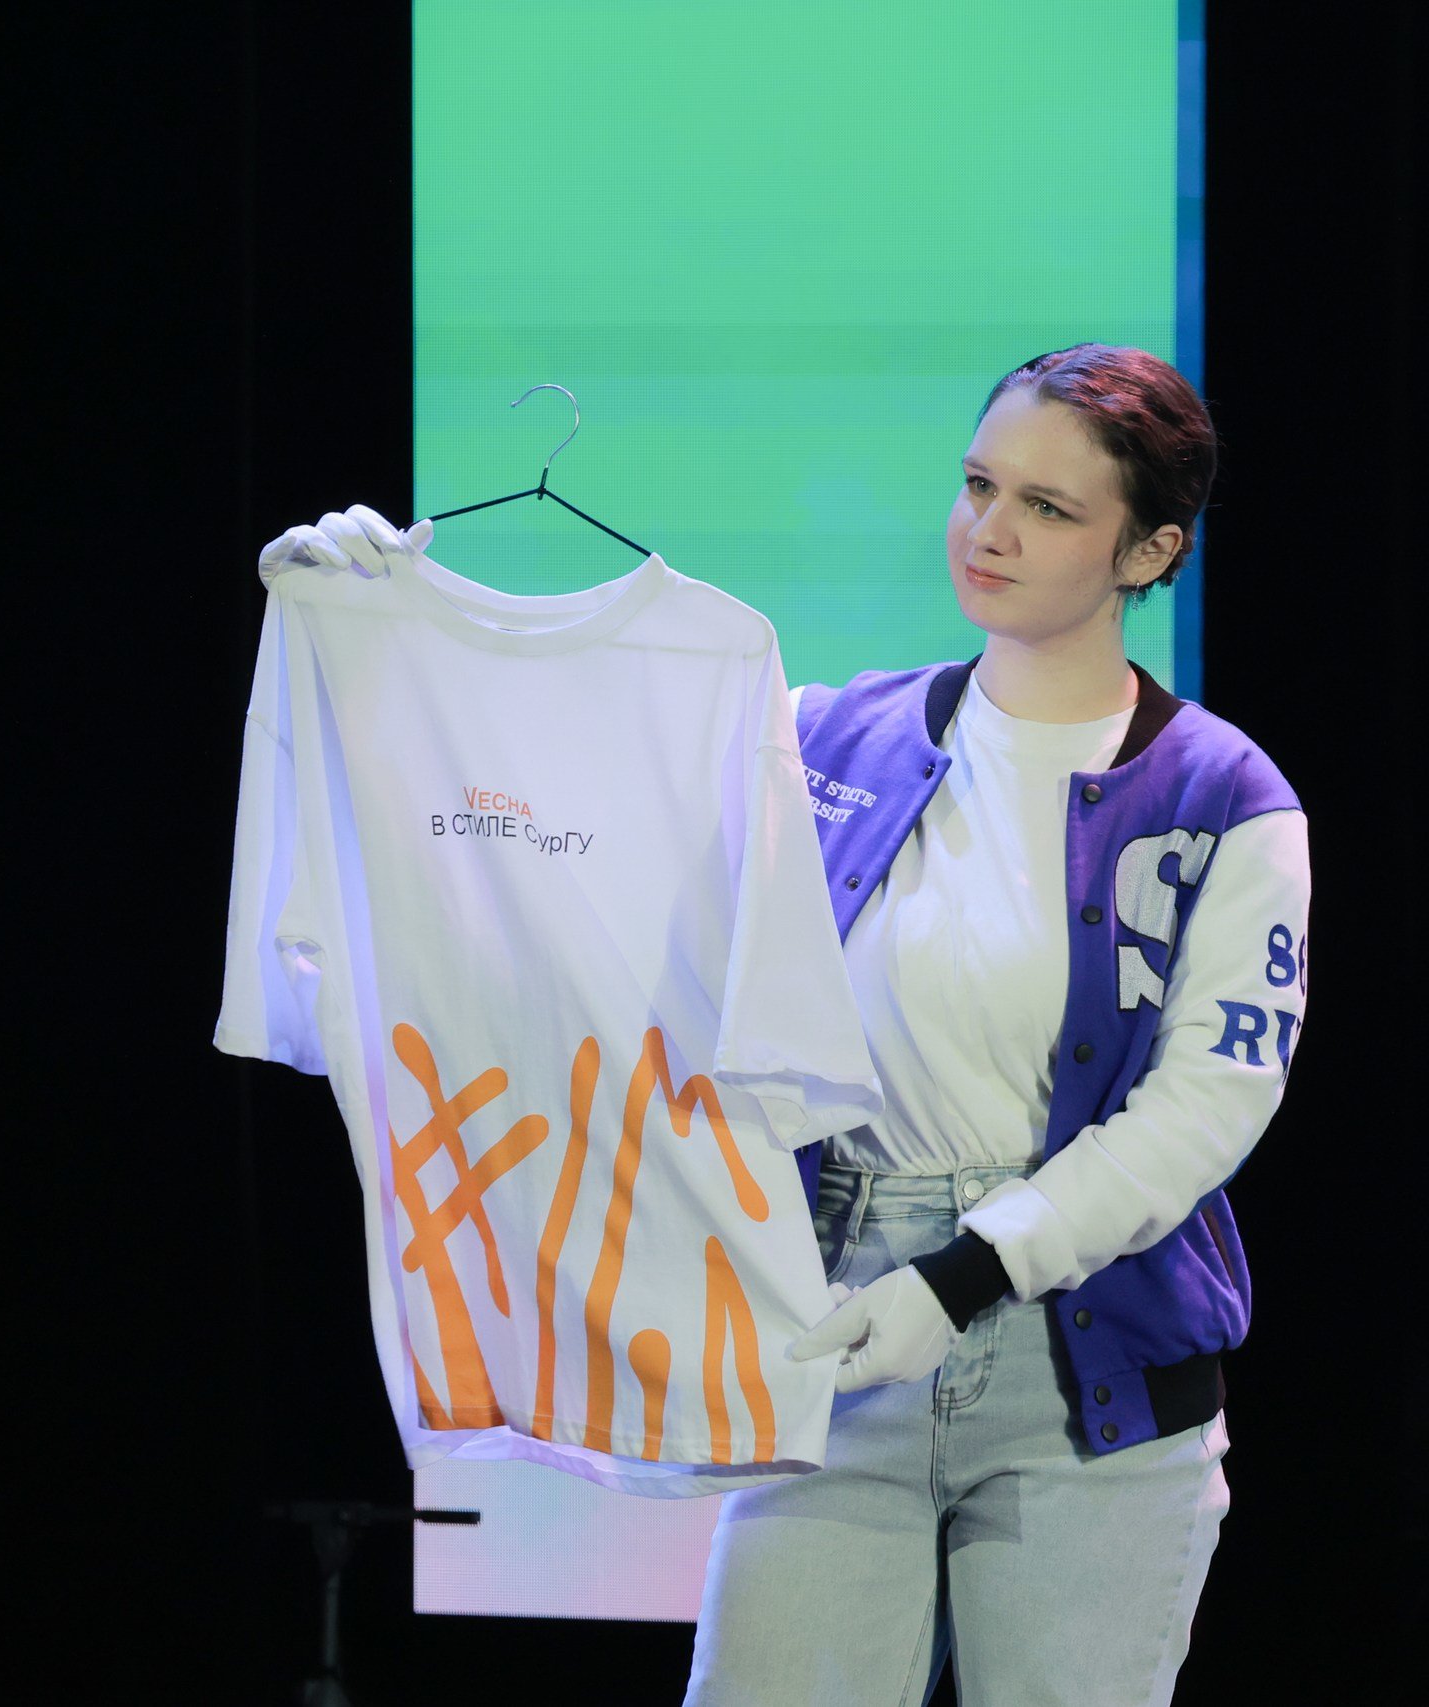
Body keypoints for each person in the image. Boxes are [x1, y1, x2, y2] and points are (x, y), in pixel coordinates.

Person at [272, 343, 1310, 1705]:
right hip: (831, 1322)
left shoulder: (1226, 797)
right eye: (978, 484)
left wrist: (964, 1277)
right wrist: (378, 636)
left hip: (1088, 1373)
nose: (988, 530)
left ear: (1151, 549)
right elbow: (569, 844)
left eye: (1048, 508)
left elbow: (1207, 1107)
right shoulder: (827, 736)